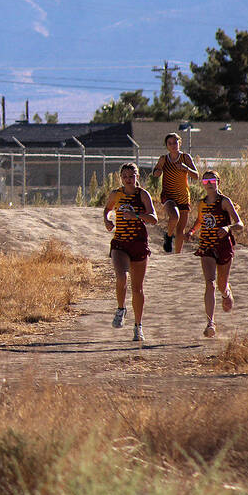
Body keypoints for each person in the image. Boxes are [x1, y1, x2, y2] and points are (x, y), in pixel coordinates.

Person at [103, 163, 158, 342]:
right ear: (120, 177)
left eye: (131, 176)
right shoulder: (116, 194)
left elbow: (154, 218)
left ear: (137, 177)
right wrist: (107, 220)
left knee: (137, 288)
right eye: (125, 176)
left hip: (138, 243)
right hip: (120, 243)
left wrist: (135, 216)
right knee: (121, 277)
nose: (128, 179)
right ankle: (121, 309)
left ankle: (138, 326)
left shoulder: (142, 194)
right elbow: (107, 209)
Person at [188, 170, 242, 338]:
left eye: (212, 180)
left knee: (220, 284)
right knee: (210, 283)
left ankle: (226, 293)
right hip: (207, 246)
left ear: (218, 181)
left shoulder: (224, 202)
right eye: (205, 182)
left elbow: (240, 224)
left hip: (224, 246)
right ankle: (210, 323)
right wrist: (191, 232)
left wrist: (228, 228)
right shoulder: (202, 203)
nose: (209, 184)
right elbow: (200, 221)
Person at [151, 132, 198, 253]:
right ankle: (168, 236)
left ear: (179, 143)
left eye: (175, 142)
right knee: (174, 216)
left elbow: (196, 176)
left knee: (180, 229)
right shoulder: (164, 159)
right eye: (170, 143)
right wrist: (157, 172)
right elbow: (156, 172)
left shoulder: (185, 158)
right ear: (166, 146)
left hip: (183, 196)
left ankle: (177, 255)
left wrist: (185, 168)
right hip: (169, 195)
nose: (173, 145)